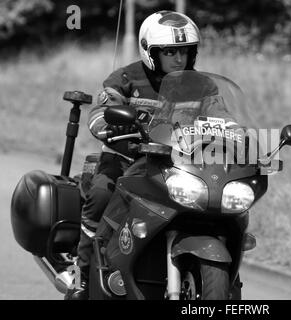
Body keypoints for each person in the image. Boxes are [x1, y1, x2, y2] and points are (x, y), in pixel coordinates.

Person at [65, 10, 203, 300]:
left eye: (185, 52)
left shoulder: (202, 85)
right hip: (124, 159)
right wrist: (106, 127)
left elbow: (222, 118)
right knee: (101, 195)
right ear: (151, 52)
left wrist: (239, 139)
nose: (179, 59)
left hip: (177, 165)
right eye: (170, 52)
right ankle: (82, 276)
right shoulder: (126, 78)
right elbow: (100, 113)